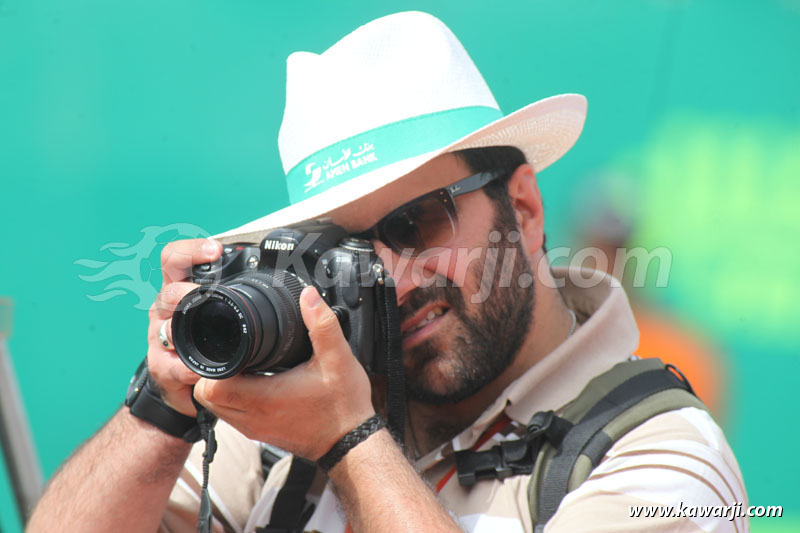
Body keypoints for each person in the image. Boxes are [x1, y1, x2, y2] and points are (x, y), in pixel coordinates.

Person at [28, 11, 747, 533]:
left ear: (524, 210)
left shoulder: (668, 459)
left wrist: (349, 443)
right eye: (342, 247)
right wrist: (160, 407)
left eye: (417, 222)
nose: (392, 278)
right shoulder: (293, 418)